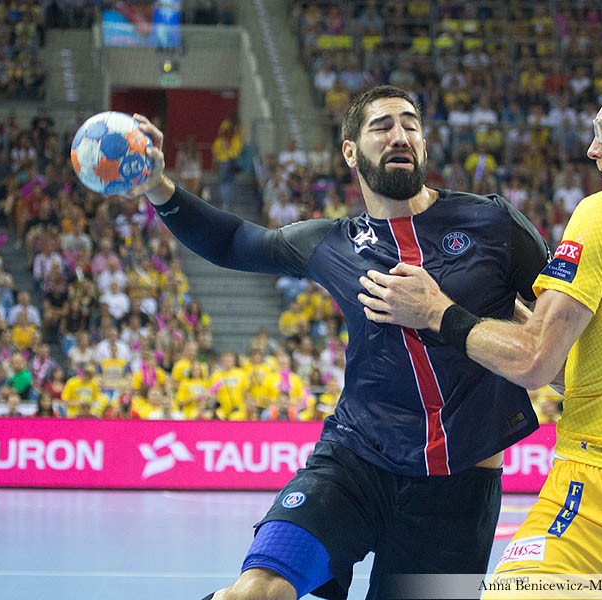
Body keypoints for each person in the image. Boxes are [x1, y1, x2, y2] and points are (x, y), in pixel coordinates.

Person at [128, 84, 549, 600]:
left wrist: (446, 314)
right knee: (257, 591)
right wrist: (158, 187)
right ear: (350, 151)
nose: (400, 135)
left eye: (410, 124)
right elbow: (236, 241)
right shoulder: (333, 242)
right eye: (382, 127)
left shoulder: (493, 223)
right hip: (354, 463)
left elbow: (558, 335)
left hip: (459, 491)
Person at [359, 73, 602, 581]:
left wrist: (436, 311)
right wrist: (505, 311)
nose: (592, 148)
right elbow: (582, 369)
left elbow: (534, 362)